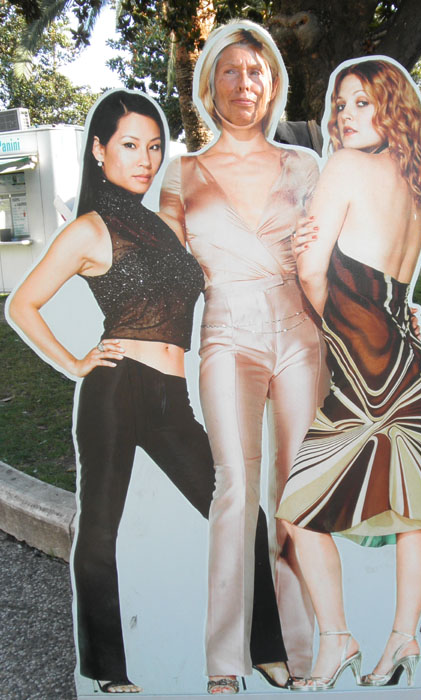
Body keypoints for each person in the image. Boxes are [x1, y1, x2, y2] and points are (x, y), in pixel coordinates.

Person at [7, 89, 289, 694]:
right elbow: (21, 305)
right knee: (100, 529)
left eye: (154, 147)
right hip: (115, 390)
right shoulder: (89, 230)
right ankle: (108, 671)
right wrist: (75, 363)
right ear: (99, 149)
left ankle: (267, 648)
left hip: (171, 398)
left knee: (243, 513)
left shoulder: (164, 224)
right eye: (130, 145)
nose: (145, 159)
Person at [160, 21, 329, 694]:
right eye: (229, 70)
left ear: (274, 83)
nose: (243, 83)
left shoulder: (304, 166)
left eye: (256, 71)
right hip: (228, 334)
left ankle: (300, 650)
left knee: (297, 494)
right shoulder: (182, 174)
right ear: (209, 86)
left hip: (300, 335)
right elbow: (164, 276)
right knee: (235, 491)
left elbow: (333, 261)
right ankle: (224, 661)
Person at [277, 57, 421, 691]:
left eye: (361, 103)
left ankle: (338, 638)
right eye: (341, 105)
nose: (345, 116)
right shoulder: (415, 183)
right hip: (413, 367)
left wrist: (326, 313)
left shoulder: (346, 167)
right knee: (412, 515)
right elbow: (395, 288)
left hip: (367, 370)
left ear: (391, 107)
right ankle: (403, 638)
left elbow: (313, 273)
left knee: (297, 512)